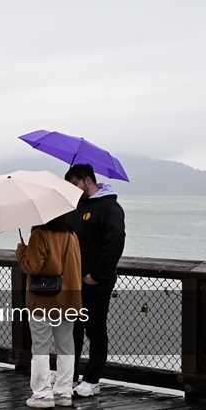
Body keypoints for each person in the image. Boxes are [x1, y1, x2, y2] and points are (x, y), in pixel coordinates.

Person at [64, 164, 126, 398]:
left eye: (75, 183)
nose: (74, 188)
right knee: (74, 329)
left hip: (96, 280)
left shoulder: (110, 207)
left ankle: (92, 379)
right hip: (74, 278)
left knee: (95, 329)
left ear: (87, 180)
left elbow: (116, 241)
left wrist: (98, 274)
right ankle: (69, 375)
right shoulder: (78, 206)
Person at [16, 214, 83, 408]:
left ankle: (42, 394)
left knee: (40, 347)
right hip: (68, 298)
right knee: (66, 346)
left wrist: (22, 251)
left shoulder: (39, 234)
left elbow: (31, 266)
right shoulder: (72, 235)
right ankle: (63, 392)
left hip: (43, 301)